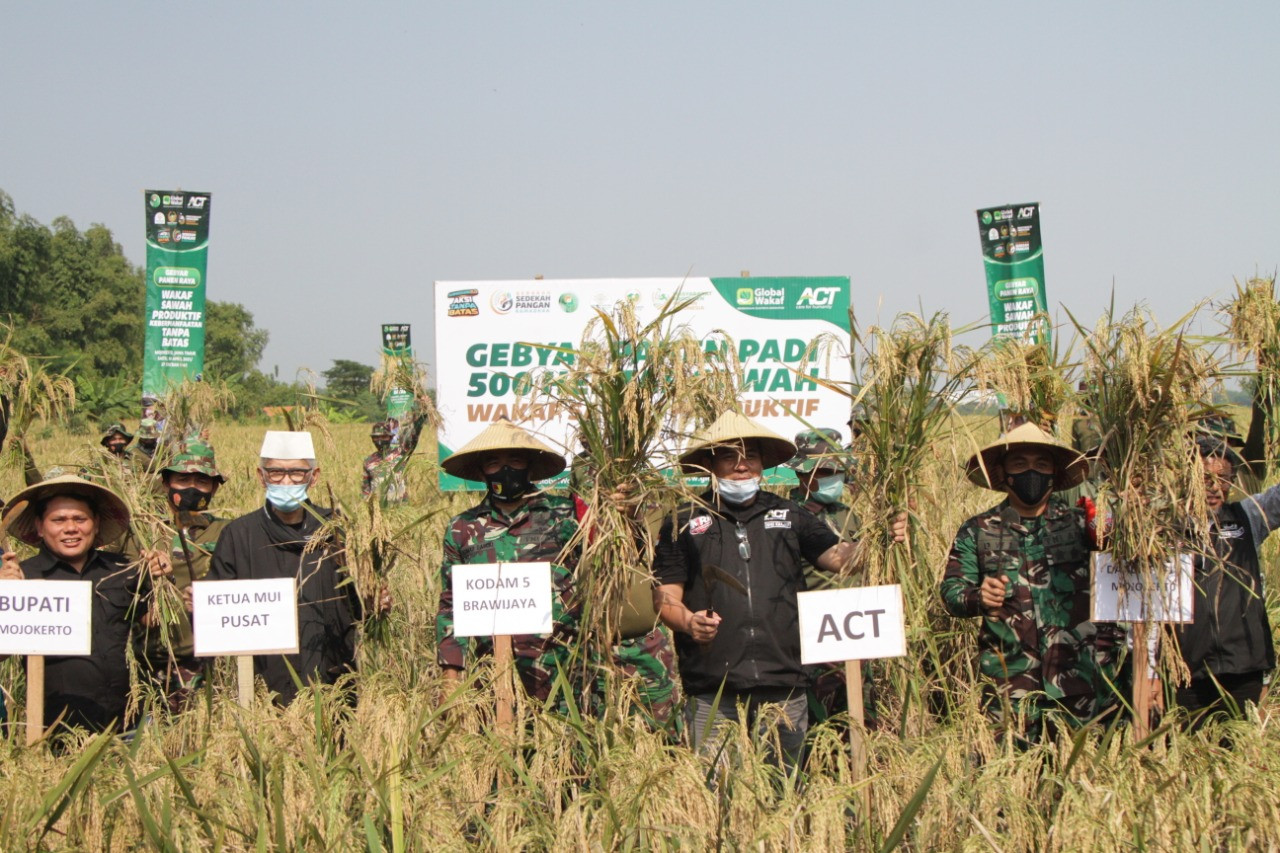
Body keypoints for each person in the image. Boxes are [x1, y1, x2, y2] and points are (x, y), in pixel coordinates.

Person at [652, 411, 906, 770]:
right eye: (729, 457)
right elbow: (665, 597)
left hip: (783, 680)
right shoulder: (683, 520)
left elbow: (839, 557)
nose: (742, 466)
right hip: (713, 684)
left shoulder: (788, 513)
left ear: (762, 465)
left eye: (751, 457)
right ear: (710, 465)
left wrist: (881, 539)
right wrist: (689, 621)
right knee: (718, 787)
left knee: (785, 785)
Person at [940, 423, 1124, 743]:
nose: (1031, 472)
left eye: (1041, 464)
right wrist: (978, 597)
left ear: (1055, 473)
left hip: (1078, 680)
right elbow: (952, 593)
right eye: (1020, 464)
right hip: (1009, 685)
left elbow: (1126, 566)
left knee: (1082, 775)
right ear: (1003, 473)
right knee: (1011, 778)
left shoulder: (1082, 526)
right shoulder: (978, 530)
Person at [207, 431, 380, 705]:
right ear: (261, 475)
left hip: (333, 678)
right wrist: (199, 605)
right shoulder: (239, 535)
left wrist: (376, 600)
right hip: (264, 686)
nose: (286, 481)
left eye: (297, 473)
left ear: (314, 476)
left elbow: (361, 600)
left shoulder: (338, 529)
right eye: (276, 472)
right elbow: (218, 614)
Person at [435, 419, 582, 706]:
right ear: (481, 470)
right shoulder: (462, 529)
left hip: (564, 675)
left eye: (514, 460)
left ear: (528, 465)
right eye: (493, 463)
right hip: (494, 677)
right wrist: (449, 682)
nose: (505, 470)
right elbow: (451, 607)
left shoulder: (565, 516)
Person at [0, 475, 143, 735]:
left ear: (96, 524)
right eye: (58, 520)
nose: (71, 528)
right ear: (40, 527)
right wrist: (4, 596)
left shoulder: (125, 570)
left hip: (128, 727)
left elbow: (158, 628)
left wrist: (160, 577)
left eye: (80, 519)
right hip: (55, 732)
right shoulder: (23, 577)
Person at [1169, 436, 1278, 728]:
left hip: (1244, 667)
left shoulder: (1248, 518)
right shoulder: (1167, 528)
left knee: (1239, 753)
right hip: (1188, 671)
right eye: (1205, 478)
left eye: (1223, 478)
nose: (1215, 487)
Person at [130, 438, 230, 712]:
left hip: (199, 661)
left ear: (214, 488)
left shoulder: (226, 533)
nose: (192, 488)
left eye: (202, 482)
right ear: (166, 483)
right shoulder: (140, 531)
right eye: (183, 480)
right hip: (145, 660)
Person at [786, 428, 862, 724]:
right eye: (826, 470)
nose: (834, 478)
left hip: (856, 632)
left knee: (857, 717)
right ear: (803, 475)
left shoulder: (849, 515)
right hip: (813, 637)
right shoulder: (787, 516)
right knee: (818, 722)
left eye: (837, 471)